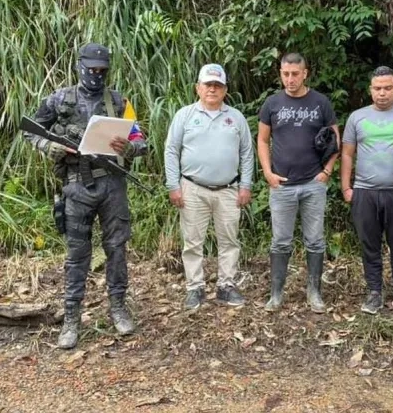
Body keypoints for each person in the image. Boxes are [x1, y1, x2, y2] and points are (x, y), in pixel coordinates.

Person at [23, 43, 147, 349]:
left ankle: (118, 308)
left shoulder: (119, 101)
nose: (97, 75)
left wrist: (129, 147)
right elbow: (30, 130)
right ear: (80, 67)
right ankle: (71, 319)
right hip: (77, 185)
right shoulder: (60, 99)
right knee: (77, 255)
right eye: (92, 69)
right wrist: (48, 146)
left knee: (116, 249)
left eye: (102, 71)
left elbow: (140, 139)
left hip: (111, 185)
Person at [164, 64, 254, 310]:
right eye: (208, 85)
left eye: (218, 85)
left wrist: (246, 185)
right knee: (192, 241)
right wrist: (173, 185)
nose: (212, 89)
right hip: (193, 188)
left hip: (228, 189)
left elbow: (247, 153)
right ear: (198, 88)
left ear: (225, 89)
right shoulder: (185, 115)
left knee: (229, 239)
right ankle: (195, 288)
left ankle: (226, 285)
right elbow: (171, 151)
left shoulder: (235, 117)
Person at [340, 66, 393, 321]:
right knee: (370, 246)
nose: (382, 93)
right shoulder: (357, 118)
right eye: (377, 88)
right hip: (365, 192)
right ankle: (374, 291)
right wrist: (347, 187)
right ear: (370, 90)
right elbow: (347, 153)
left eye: (388, 88)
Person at [257, 53, 340, 313]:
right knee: (280, 241)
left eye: (295, 73)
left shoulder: (320, 102)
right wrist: (268, 172)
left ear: (305, 73)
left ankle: (314, 292)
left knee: (315, 240)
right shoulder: (272, 103)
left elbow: (335, 139)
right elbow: (262, 140)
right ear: (280, 73)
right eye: (285, 73)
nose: (290, 79)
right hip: (282, 185)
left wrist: (327, 171)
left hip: (313, 184)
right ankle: (276, 294)